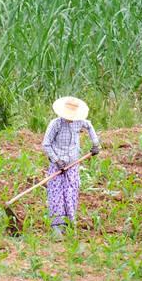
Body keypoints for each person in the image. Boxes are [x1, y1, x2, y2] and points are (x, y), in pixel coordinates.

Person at [41, 96, 101, 238]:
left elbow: (90, 126)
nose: (70, 118)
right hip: (58, 167)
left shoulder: (79, 122)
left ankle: (69, 226)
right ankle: (57, 229)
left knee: (70, 194)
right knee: (56, 195)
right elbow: (46, 144)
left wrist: (95, 144)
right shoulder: (55, 124)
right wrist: (56, 160)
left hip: (72, 165)